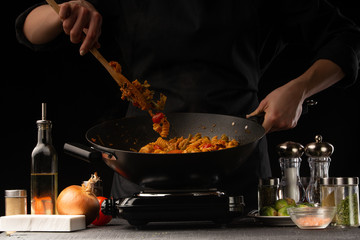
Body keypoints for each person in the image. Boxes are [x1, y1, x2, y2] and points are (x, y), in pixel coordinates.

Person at [16, 0, 360, 211]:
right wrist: (67, 9)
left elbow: (345, 39)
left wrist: (300, 88)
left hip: (235, 163)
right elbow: (28, 29)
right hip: (141, 169)